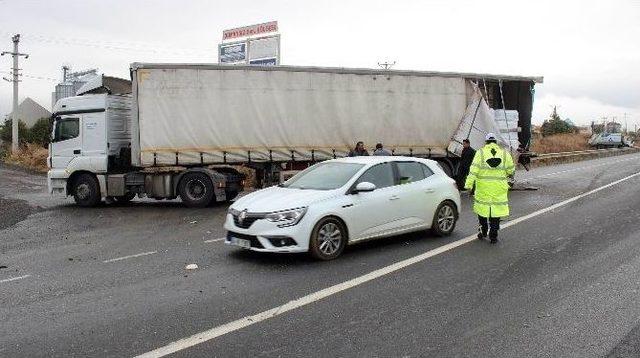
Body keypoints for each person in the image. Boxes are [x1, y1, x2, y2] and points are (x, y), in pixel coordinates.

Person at [464, 133, 515, 244]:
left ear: (486, 142)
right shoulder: (505, 154)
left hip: (483, 189)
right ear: (495, 142)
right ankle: (494, 236)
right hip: (499, 189)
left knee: (482, 211)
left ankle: (483, 231)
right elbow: (511, 170)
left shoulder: (480, 153)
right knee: (495, 213)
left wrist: (468, 185)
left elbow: (473, 170)